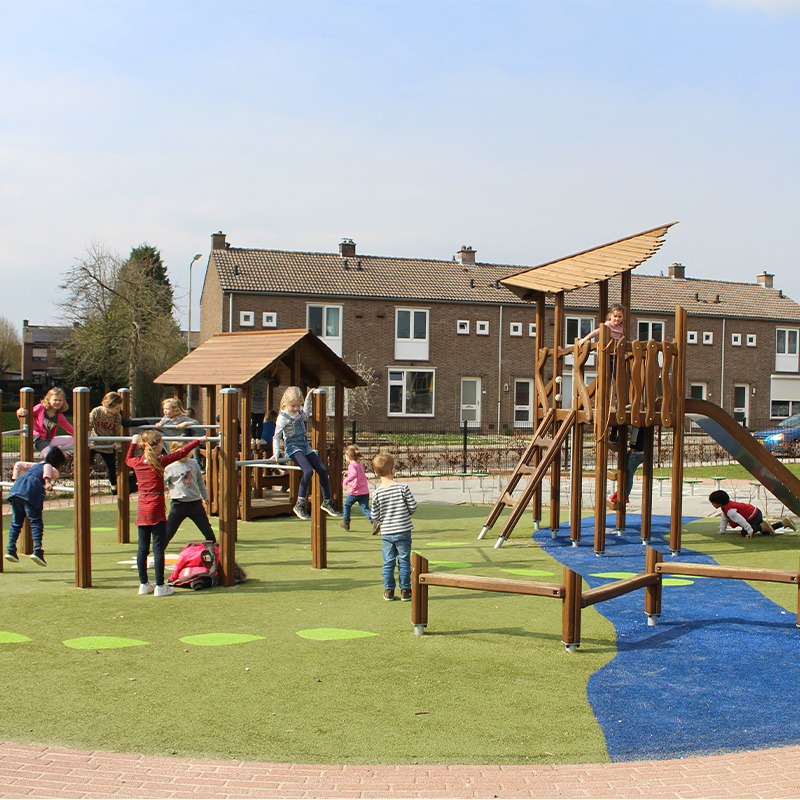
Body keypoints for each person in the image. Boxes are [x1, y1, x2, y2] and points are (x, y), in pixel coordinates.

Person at [126, 430, 205, 596]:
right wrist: (198, 440)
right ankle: (160, 586)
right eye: (161, 443)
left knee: (142, 548)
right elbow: (182, 452)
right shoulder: (160, 462)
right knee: (158, 548)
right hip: (155, 506)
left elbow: (127, 459)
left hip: (142, 507)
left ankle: (143, 584)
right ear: (156, 446)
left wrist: (132, 443)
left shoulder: (137, 462)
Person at [270, 386, 339, 520]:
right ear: (286, 403)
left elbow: (306, 414)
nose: (296, 408)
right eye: (293, 406)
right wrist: (276, 453)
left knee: (323, 470)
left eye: (298, 405)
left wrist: (308, 398)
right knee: (308, 471)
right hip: (293, 447)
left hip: (305, 446)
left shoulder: (299, 412)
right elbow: (276, 437)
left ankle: (327, 501)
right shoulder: (282, 418)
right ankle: (300, 503)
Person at [4, 447, 67, 566]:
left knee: (16, 521)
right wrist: (48, 482)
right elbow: (48, 467)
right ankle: (37, 550)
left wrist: (16, 479)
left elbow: (18, 465)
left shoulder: (35, 465)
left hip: (17, 490)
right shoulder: (51, 468)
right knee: (36, 521)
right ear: (59, 464)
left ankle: (11, 549)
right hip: (30, 491)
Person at [371, 451, 417, 601]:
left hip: (387, 533)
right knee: (404, 561)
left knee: (388, 562)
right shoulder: (403, 488)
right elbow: (413, 506)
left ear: (376, 473)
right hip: (403, 530)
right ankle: (406, 590)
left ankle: (389, 590)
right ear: (393, 470)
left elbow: (375, 516)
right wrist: (405, 513)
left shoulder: (377, 493)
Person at [164, 441, 217, 546]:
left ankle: (214, 548)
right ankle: (159, 551)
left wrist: (205, 495)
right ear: (172, 452)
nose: (185, 453)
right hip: (178, 504)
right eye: (181, 451)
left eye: (187, 451)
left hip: (195, 503)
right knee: (168, 532)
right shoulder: (169, 467)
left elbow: (200, 481)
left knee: (206, 529)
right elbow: (161, 484)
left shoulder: (193, 463)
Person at [709, 490, 795, 538]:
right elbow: (724, 519)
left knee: (744, 533)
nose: (712, 505)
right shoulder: (725, 508)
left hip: (753, 516)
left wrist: (749, 530)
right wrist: (722, 531)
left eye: (713, 503)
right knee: (766, 532)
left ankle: (761, 526)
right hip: (755, 513)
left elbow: (741, 520)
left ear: (719, 502)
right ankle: (783, 523)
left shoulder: (730, 511)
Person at [16, 387, 74, 455]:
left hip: (47, 439)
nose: (57, 402)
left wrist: (84, 437)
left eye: (60, 400)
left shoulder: (59, 416)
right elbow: (26, 414)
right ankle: (51, 460)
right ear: (48, 399)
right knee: (49, 455)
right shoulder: (40, 408)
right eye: (55, 400)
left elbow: (70, 428)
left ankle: (59, 459)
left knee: (71, 439)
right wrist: (19, 412)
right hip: (37, 438)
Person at [608, 427, 645, 507]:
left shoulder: (638, 425)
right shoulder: (640, 425)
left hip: (636, 453)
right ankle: (623, 494)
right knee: (627, 474)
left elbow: (627, 428)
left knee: (628, 475)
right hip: (638, 452)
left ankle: (624, 495)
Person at [339, 444, 372, 531]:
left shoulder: (352, 465)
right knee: (365, 508)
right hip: (364, 491)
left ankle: (346, 522)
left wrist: (345, 481)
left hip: (355, 492)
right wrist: (348, 472)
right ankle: (374, 521)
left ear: (349, 456)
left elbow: (354, 474)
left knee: (347, 505)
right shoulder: (359, 464)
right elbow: (357, 474)